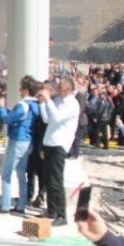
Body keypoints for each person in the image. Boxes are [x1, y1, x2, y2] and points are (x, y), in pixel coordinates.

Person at [37, 76, 80, 226]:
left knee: (56, 181)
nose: (57, 88)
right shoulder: (58, 100)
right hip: (49, 142)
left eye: (60, 86)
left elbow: (57, 118)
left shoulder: (72, 104)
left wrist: (48, 99)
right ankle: (51, 210)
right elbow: (47, 119)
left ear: (68, 89)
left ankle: (62, 215)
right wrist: (43, 103)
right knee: (48, 180)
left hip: (59, 144)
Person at [0, 75, 40, 214]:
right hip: (28, 141)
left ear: (26, 89)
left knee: (6, 174)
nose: (19, 89)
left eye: (21, 87)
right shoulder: (35, 104)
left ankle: (5, 205)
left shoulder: (22, 105)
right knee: (21, 173)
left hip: (17, 140)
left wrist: (1, 107)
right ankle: (21, 205)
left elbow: (5, 119)